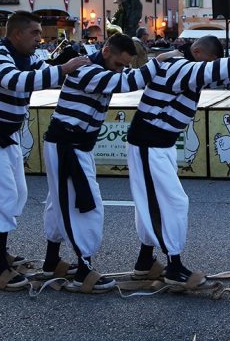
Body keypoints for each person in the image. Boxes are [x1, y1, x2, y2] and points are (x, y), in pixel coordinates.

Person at [127, 37, 230, 286]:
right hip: (149, 144)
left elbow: (221, 73)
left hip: (157, 144)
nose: (210, 67)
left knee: (153, 202)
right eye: (209, 61)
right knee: (171, 203)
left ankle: (145, 263)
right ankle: (174, 268)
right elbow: (214, 71)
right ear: (197, 52)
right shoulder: (179, 66)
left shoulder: (187, 67)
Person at [0, 11, 89, 291]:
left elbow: (45, 73)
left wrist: (83, 63)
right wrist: (64, 69)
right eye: (35, 33)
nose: (40, 38)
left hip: (4, 133)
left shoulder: (27, 56)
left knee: (15, 193)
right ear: (17, 34)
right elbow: (16, 81)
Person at [40, 34, 172, 292]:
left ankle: (51, 261)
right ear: (106, 50)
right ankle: (83, 273)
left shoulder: (101, 69)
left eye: (125, 65)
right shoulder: (85, 69)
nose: (121, 69)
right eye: (118, 64)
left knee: (59, 203)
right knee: (83, 205)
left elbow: (124, 77)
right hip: (68, 145)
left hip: (73, 144)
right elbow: (127, 82)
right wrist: (159, 61)